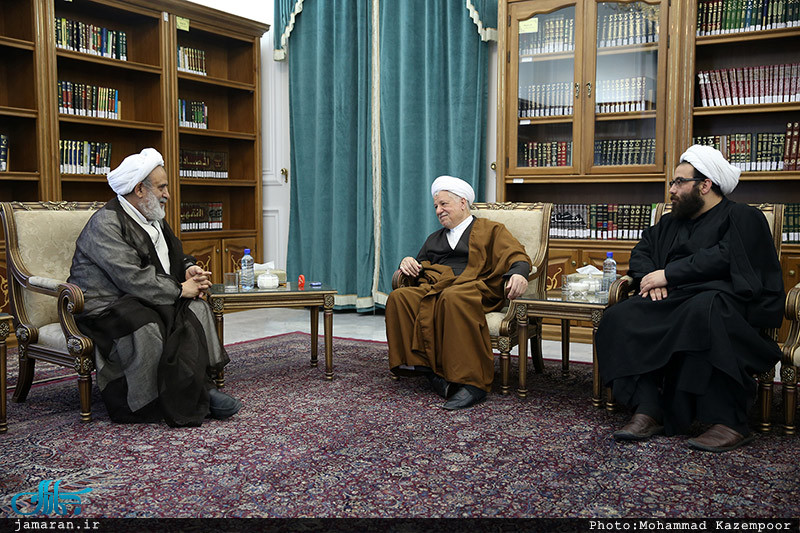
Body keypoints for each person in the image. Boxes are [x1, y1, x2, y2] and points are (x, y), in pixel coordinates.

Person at [596, 145, 785, 452]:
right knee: (618, 317)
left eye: (679, 182)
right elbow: (642, 251)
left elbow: (726, 257)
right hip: (674, 301)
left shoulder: (742, 216)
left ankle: (729, 421)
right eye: (673, 182)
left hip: (725, 304)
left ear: (705, 184)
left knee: (704, 309)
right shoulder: (672, 221)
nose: (672, 189)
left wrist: (669, 274)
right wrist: (650, 278)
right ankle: (648, 408)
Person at [68, 148, 241, 427]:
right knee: (149, 323)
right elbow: (132, 277)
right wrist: (179, 290)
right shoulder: (106, 224)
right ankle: (151, 400)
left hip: (143, 296)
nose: (167, 195)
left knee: (195, 308)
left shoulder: (152, 215)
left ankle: (200, 387)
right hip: (105, 306)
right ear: (139, 189)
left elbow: (174, 255)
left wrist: (188, 268)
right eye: (162, 187)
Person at [386, 175, 531, 410]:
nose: (438, 210)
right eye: (436, 206)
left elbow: (516, 255)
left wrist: (519, 273)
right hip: (437, 287)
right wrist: (408, 262)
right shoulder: (435, 238)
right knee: (400, 297)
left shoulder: (491, 229)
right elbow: (420, 269)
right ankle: (426, 368)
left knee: (452, 297)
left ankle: (473, 383)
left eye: (444, 204)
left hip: (475, 288)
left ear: (463, 202)